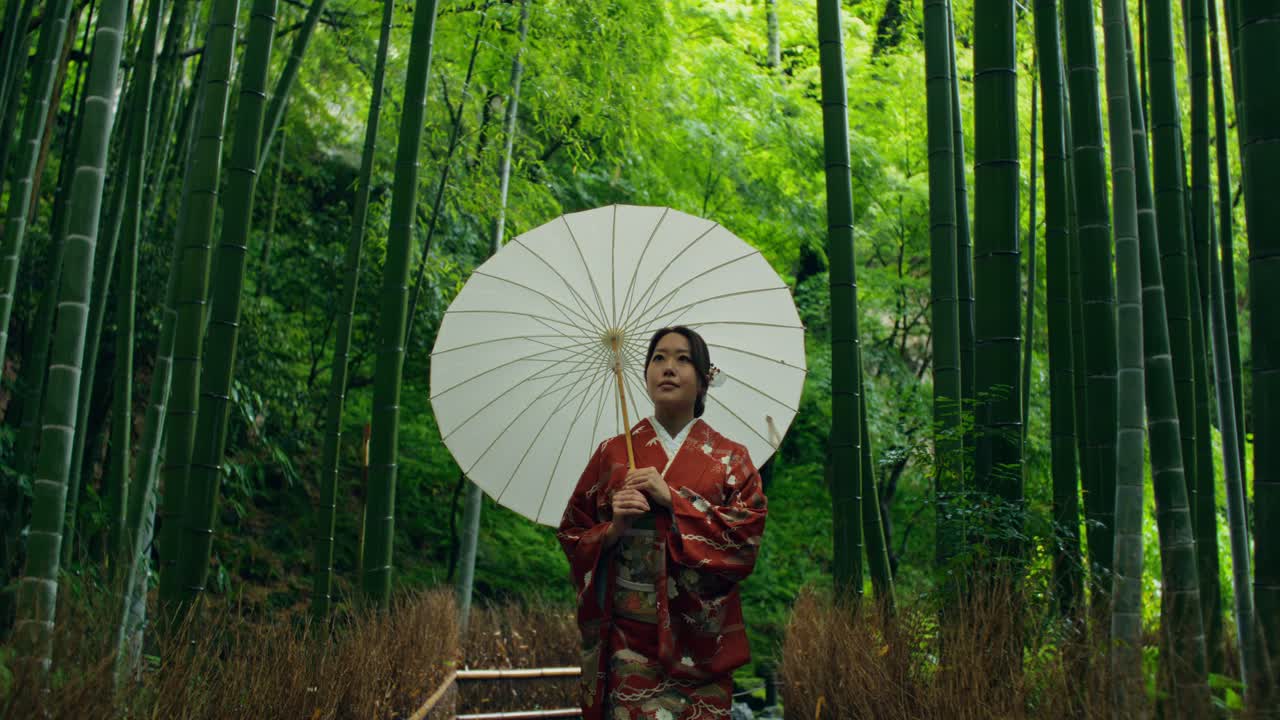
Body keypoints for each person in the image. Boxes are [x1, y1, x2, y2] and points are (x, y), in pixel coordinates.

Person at [557, 326, 768, 720]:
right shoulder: (613, 454)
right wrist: (614, 528)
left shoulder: (731, 459)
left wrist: (672, 499)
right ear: (645, 375)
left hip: (702, 644)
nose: (668, 368)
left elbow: (745, 540)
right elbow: (572, 533)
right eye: (659, 358)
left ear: (705, 380)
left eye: (683, 359)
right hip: (629, 645)